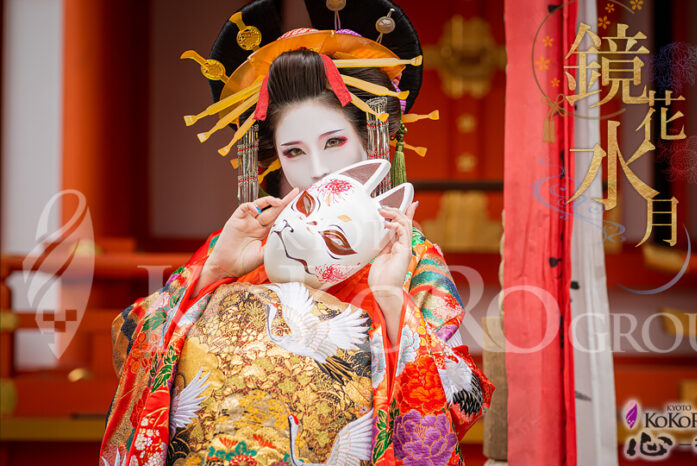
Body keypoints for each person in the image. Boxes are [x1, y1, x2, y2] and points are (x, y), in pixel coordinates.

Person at [100, 2, 493, 465]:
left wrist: (389, 297)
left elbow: (460, 395)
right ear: (274, 159)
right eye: (294, 151)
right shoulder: (238, 248)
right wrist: (215, 274)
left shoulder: (410, 257)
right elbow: (131, 343)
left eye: (334, 142)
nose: (318, 169)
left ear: (371, 142)